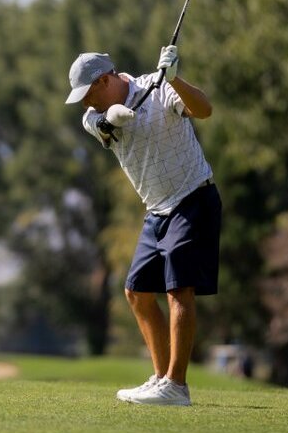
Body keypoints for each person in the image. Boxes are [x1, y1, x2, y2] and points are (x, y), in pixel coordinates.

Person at [66, 46, 222, 406]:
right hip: (156, 210)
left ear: (105, 80)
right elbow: (105, 124)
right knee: (136, 292)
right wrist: (114, 115)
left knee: (178, 291)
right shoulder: (93, 116)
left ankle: (176, 386)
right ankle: (160, 377)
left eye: (89, 93)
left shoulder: (160, 86)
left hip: (192, 198)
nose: (87, 104)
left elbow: (205, 110)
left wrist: (175, 79)